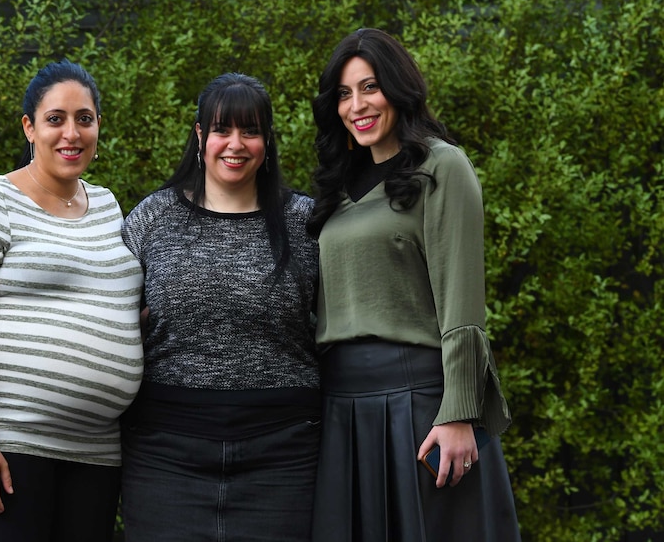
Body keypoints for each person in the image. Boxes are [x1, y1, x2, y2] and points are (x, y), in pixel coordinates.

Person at [307, 28, 522, 541]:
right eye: (343, 93)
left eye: (369, 87)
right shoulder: (334, 191)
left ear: (399, 89)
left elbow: (462, 300)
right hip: (341, 408)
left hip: (422, 405)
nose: (355, 105)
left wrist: (460, 413)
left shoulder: (443, 166)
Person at [0, 59, 143, 542]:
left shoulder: (109, 206)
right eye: (56, 119)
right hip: (9, 443)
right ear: (30, 127)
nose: (71, 133)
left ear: (98, 126)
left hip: (95, 452)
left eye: (84, 119)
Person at [119, 73, 321, 541]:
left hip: (285, 452)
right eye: (221, 130)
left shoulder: (306, 224)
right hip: (165, 450)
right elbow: (110, 321)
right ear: (199, 137)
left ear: (268, 141)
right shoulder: (153, 218)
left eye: (250, 131)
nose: (235, 144)